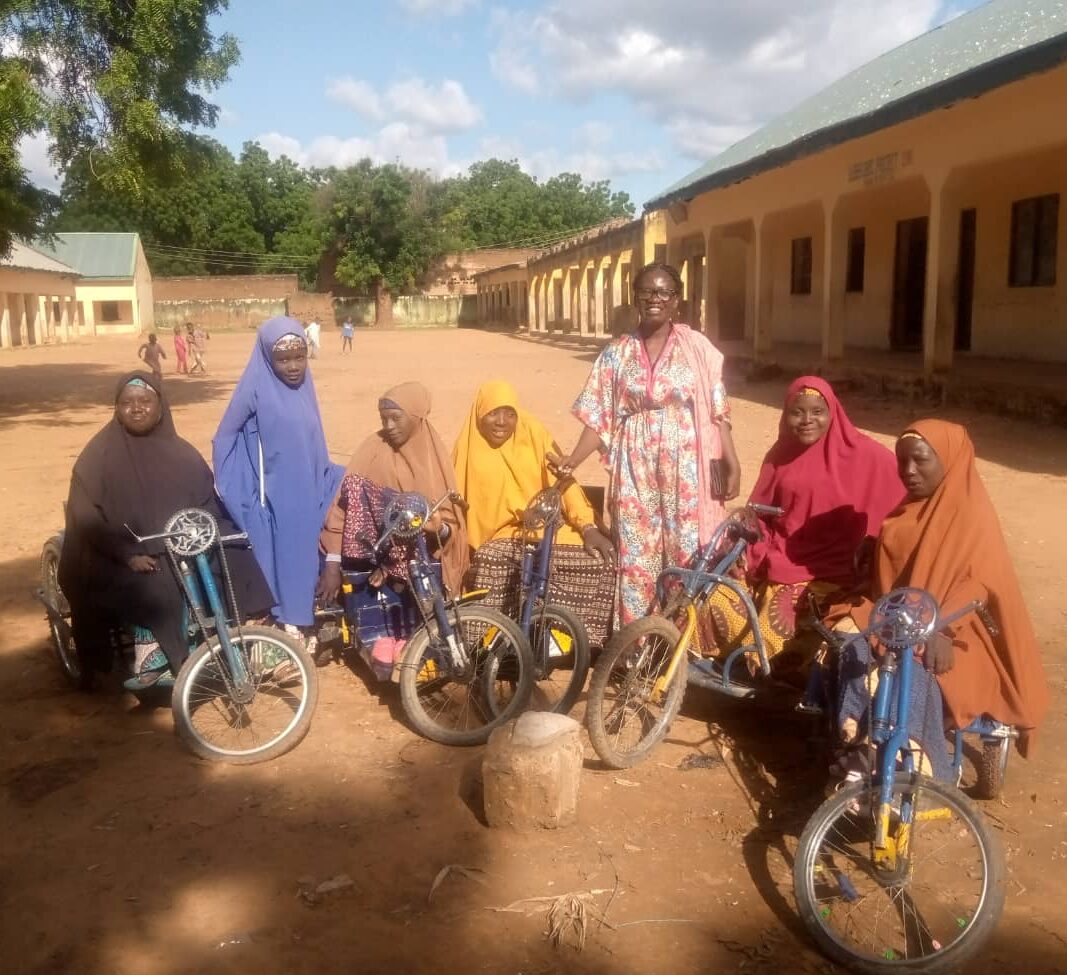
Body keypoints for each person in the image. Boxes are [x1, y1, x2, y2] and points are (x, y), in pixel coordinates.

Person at [833, 419, 1050, 778]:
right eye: (901, 461)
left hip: (956, 631)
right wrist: (871, 553)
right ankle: (851, 731)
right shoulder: (905, 512)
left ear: (949, 460)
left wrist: (941, 628)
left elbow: (979, 585)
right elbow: (893, 578)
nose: (908, 471)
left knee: (915, 668)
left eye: (920, 460)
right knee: (851, 644)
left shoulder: (971, 516)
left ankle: (908, 759)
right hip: (899, 619)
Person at [551, 262, 741, 627]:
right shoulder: (616, 354)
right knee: (637, 554)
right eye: (647, 291)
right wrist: (572, 461)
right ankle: (639, 645)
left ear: (677, 301)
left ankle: (685, 644)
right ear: (635, 297)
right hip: (633, 464)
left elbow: (718, 408)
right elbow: (599, 414)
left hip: (688, 465)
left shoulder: (696, 348)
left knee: (687, 549)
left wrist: (730, 459)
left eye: (664, 292)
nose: (655, 298)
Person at [57, 372, 274, 687]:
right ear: (116, 409)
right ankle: (152, 650)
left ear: (161, 407)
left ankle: (255, 637)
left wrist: (211, 533)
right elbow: (86, 517)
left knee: (236, 554)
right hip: (119, 551)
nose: (137, 408)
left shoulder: (181, 452)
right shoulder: (97, 456)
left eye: (145, 401)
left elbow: (206, 503)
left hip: (180, 542)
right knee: (154, 577)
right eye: (127, 403)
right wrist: (127, 553)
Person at [695, 376, 901, 671]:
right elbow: (761, 515)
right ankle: (736, 665)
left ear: (833, 414)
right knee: (712, 598)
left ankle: (771, 677)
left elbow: (905, 495)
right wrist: (746, 535)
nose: (807, 420)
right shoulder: (779, 456)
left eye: (817, 412)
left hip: (831, 574)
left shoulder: (868, 457)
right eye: (797, 412)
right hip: (776, 563)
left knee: (775, 620)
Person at [452, 380, 616, 646]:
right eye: (493, 412)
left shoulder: (533, 433)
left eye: (510, 413)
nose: (502, 422)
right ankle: (487, 644)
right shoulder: (467, 449)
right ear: (479, 413)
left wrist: (588, 527)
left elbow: (565, 481)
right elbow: (454, 510)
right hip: (495, 537)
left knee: (603, 560)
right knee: (489, 561)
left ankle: (579, 641)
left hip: (545, 525)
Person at [213, 317, 344, 638]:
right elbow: (224, 437)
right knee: (286, 555)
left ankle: (307, 616)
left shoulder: (304, 389)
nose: (293, 367)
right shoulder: (255, 388)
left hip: (309, 485)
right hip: (277, 495)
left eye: (299, 357)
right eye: (283, 359)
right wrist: (239, 490)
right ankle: (289, 621)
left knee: (309, 550)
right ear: (267, 358)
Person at [318, 381, 468, 601]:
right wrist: (332, 563)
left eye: (396, 418)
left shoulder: (434, 459)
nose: (388, 426)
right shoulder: (372, 449)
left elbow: (450, 528)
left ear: (417, 418)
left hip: (421, 558)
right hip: (367, 558)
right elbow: (342, 508)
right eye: (383, 419)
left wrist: (439, 529)